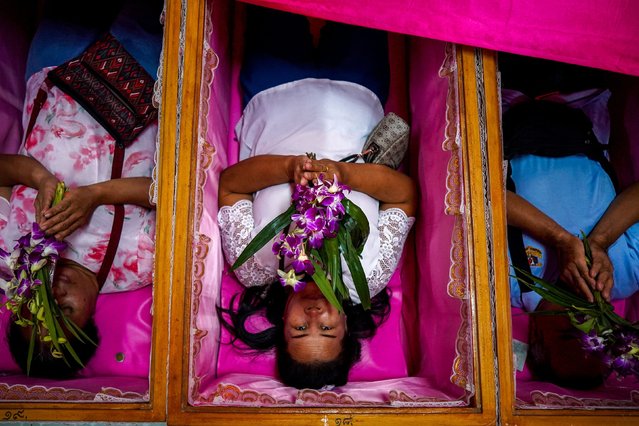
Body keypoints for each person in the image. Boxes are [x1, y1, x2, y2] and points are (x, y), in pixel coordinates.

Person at [216, 6, 416, 389]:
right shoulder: (369, 275)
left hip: (273, 94)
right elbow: (404, 197)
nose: (313, 314)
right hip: (357, 93)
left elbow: (231, 186)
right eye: (325, 329)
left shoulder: (254, 268)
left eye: (299, 329)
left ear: (280, 327)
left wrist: (291, 168)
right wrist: (345, 175)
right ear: (346, 328)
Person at [0, 0, 163, 378]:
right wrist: (97, 195)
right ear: (91, 318)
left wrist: (40, 178)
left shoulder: (8, 253)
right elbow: (172, 194)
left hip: (53, 68)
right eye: (66, 310)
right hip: (135, 75)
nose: (54, 294)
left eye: (38, 305)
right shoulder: (137, 269)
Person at [503, 76, 639, 387]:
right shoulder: (627, 276)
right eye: (598, 333)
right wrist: (600, 242)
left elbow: (484, 197)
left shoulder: (509, 285)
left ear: (535, 333)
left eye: (567, 332)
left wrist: (561, 241)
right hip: (580, 96)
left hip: (507, 98)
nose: (583, 319)